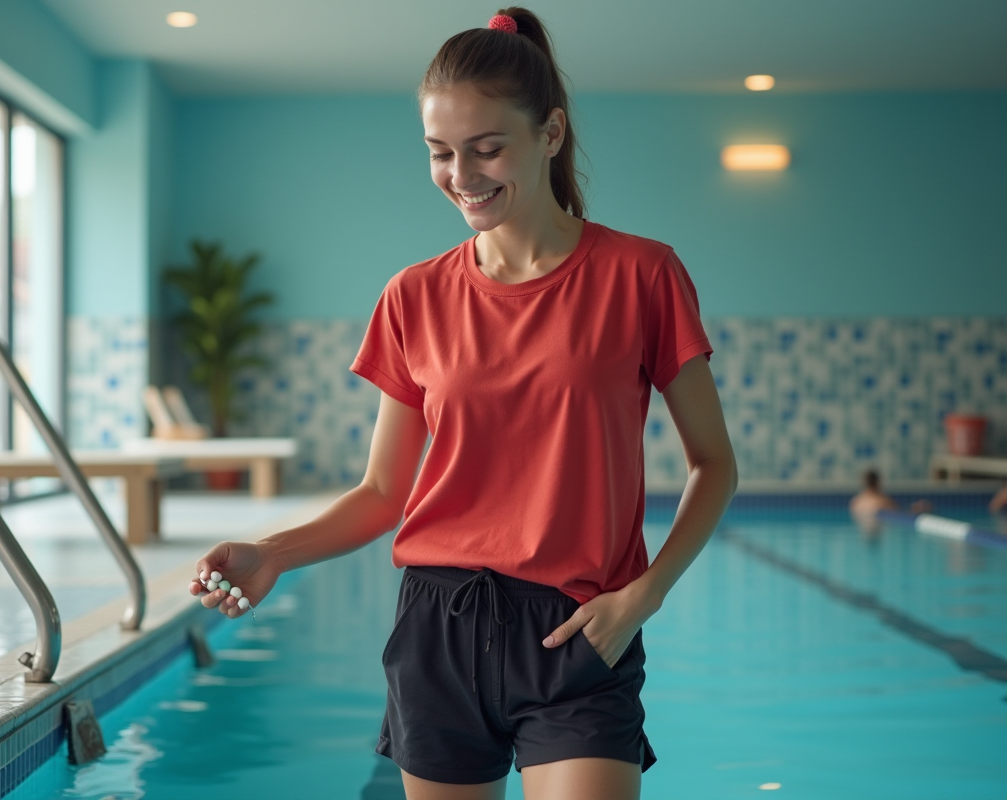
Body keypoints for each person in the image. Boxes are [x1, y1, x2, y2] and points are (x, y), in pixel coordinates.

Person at [190, 8, 737, 799]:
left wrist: (643, 597)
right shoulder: (413, 295)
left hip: (581, 627)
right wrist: (273, 553)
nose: (462, 175)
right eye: (441, 153)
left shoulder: (641, 274)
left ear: (550, 134)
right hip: (437, 631)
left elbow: (713, 463)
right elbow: (385, 493)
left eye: (487, 148)